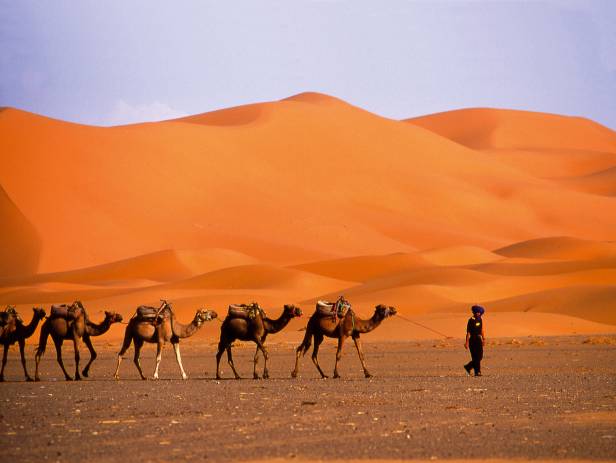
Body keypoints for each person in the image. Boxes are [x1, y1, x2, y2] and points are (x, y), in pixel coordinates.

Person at [464, 305, 485, 376]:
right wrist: (466, 342)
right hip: (472, 340)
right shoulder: (471, 320)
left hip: (478, 339)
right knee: (475, 357)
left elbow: (481, 330)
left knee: (480, 356)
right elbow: (468, 332)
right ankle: (477, 372)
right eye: (476, 312)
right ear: (474, 312)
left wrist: (483, 338)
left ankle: (468, 366)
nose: (478, 313)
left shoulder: (480, 319)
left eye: (479, 312)